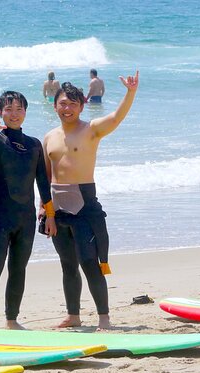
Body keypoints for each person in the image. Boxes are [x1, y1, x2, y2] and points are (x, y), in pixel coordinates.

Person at [43, 73, 139, 330]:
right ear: (55, 105)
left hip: (84, 203)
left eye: (73, 104)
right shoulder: (49, 137)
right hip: (58, 207)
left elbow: (116, 118)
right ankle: (73, 315)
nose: (67, 108)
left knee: (89, 263)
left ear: (82, 106)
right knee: (67, 265)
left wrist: (130, 92)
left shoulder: (91, 130)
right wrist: (46, 212)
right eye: (63, 103)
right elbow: (45, 178)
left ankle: (104, 318)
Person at [0, 91, 57, 330]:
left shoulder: (34, 145)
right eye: (9, 109)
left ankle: (12, 319)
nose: (14, 114)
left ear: (25, 112)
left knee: (18, 269)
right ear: (0, 113)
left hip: (25, 219)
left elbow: (42, 183)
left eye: (19, 109)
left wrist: (50, 215)